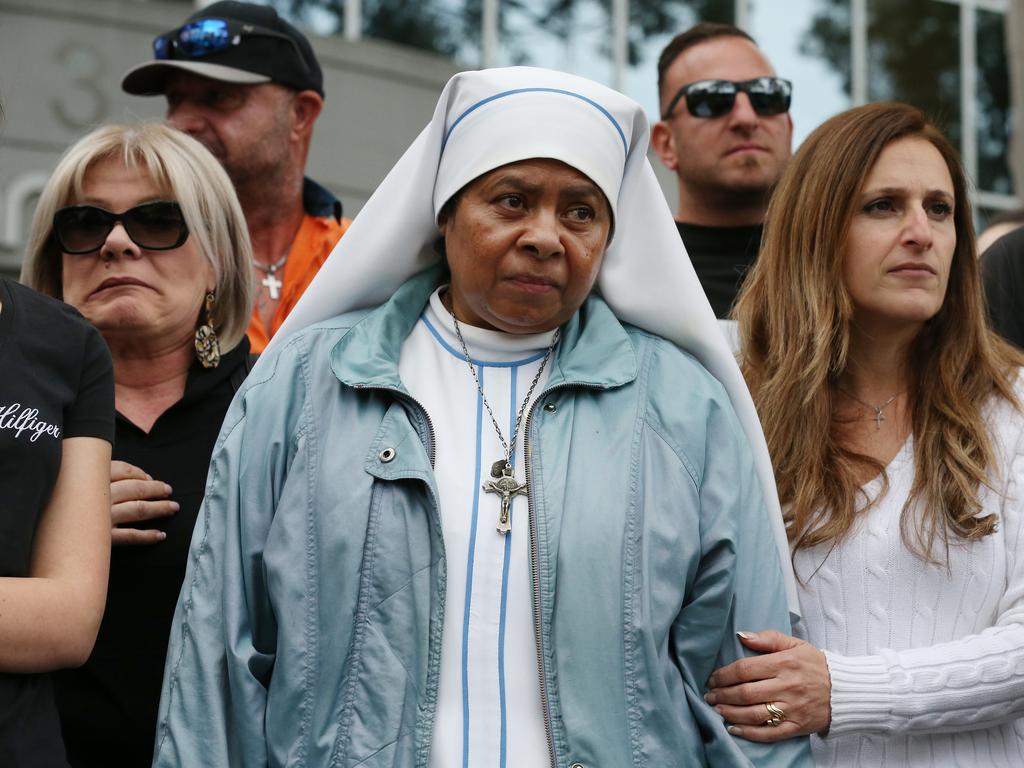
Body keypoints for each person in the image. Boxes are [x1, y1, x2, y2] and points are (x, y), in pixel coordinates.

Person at [152, 67, 811, 767]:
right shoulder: (307, 383)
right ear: (446, 209)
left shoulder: (683, 406)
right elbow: (216, 658)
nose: (546, 236)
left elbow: (749, 686)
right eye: (511, 200)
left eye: (580, 212)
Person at [704, 101, 1024, 766]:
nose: (921, 232)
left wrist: (844, 690)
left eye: (939, 209)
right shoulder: (732, 401)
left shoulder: (1013, 404)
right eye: (884, 206)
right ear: (816, 230)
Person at [20, 122, 254, 767]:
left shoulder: (284, 411)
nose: (117, 244)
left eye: (157, 221)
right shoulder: (11, 413)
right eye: (84, 224)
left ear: (219, 260)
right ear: (52, 263)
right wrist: (55, 520)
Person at [121, 0, 350, 353]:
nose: (181, 123)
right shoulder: (135, 253)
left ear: (301, 114)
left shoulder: (361, 256)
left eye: (218, 97)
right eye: (175, 99)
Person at [651, 22, 793, 319]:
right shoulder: (619, 280)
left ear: (789, 128)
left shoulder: (848, 266)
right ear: (666, 144)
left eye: (767, 96)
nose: (746, 117)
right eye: (713, 99)